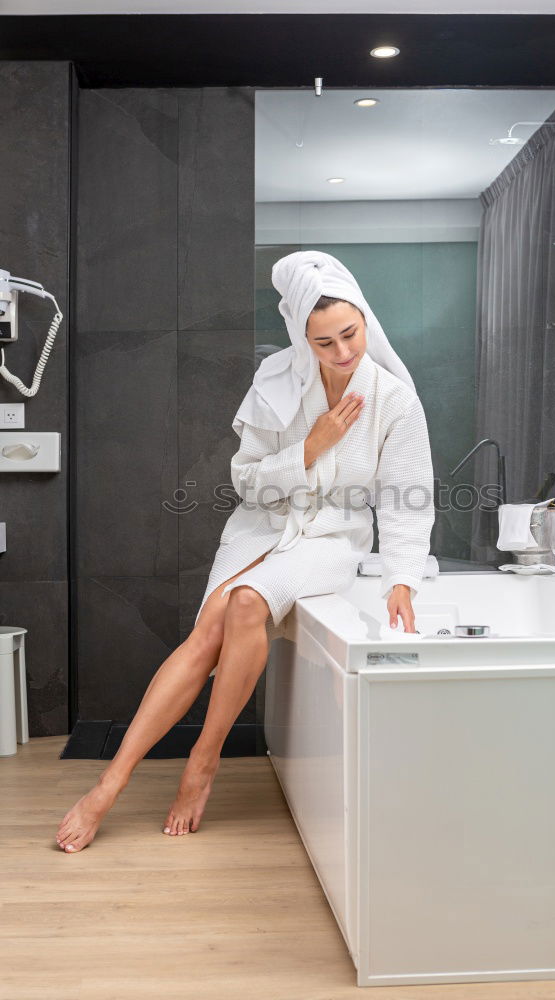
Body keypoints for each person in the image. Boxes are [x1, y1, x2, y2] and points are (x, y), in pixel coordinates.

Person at [54, 251, 434, 853]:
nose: (341, 353)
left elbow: (406, 501)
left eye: (351, 335)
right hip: (260, 526)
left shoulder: (395, 400)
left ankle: (202, 762)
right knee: (209, 628)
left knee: (248, 602)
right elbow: (247, 482)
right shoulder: (276, 382)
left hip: (332, 538)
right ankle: (111, 782)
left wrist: (403, 578)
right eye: (324, 341)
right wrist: (310, 447)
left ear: (366, 320)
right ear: (300, 336)